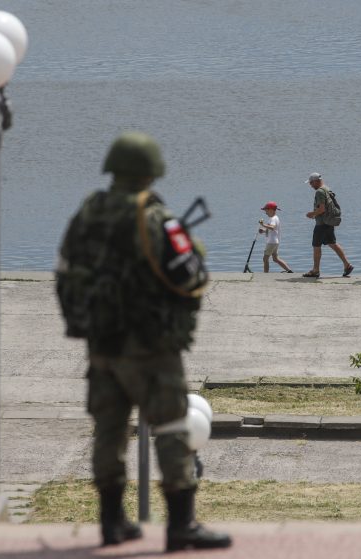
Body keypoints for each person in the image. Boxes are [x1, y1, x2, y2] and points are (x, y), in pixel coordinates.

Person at [55, 131, 231, 552]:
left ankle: (112, 523)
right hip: (151, 346)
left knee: (109, 429)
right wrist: (196, 247)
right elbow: (190, 275)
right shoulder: (155, 218)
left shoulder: (88, 212)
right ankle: (181, 525)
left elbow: (65, 270)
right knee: (171, 425)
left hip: (101, 342)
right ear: (151, 171)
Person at [303, 172, 353, 278]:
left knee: (316, 246)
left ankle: (315, 270)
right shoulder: (326, 188)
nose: (311, 185)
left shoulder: (320, 192)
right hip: (328, 222)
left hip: (322, 223)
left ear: (316, 181)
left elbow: (322, 209)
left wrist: (312, 214)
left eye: (311, 183)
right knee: (332, 243)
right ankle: (347, 265)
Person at [258, 201, 292, 273]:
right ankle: (289, 270)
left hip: (271, 242)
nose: (265, 212)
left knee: (265, 258)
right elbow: (272, 230)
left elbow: (272, 227)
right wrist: (263, 231)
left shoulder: (274, 218)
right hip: (275, 242)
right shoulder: (274, 218)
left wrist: (263, 225)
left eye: (266, 210)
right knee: (275, 259)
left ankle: (265, 274)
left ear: (271, 210)